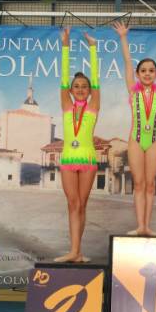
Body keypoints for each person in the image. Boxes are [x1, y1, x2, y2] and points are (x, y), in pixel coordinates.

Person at [113, 21, 156, 236]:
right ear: (137, 74)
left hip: (153, 141)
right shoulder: (132, 90)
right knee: (139, 183)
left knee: (150, 184)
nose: (147, 73)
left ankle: (147, 226)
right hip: (135, 140)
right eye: (143, 71)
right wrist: (123, 37)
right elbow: (127, 61)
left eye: (151, 71)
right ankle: (139, 226)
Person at [54, 28, 100, 263]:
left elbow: (97, 81)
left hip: (88, 159)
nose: (80, 89)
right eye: (76, 86)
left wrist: (93, 48)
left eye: (84, 86)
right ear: (71, 91)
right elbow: (63, 79)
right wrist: (66, 46)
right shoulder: (66, 106)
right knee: (72, 204)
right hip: (68, 160)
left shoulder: (93, 107)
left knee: (82, 205)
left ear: (90, 91)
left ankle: (77, 251)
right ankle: (75, 251)